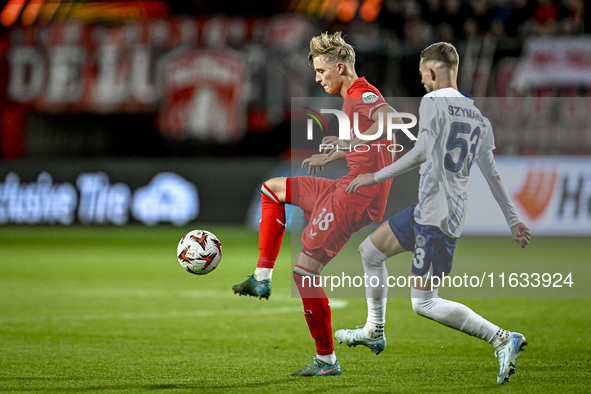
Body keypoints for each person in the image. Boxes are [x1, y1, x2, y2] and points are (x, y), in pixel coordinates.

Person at [334, 42, 531, 385]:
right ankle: (373, 330)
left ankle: (501, 337)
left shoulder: (432, 102)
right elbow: (492, 173)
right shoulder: (478, 116)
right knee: (370, 251)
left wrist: (374, 176)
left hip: (436, 215)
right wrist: (513, 219)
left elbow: (421, 152)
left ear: (434, 71)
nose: (422, 81)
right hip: (433, 209)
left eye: (423, 73)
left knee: (424, 303)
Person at [232, 31, 401, 376]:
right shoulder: (359, 94)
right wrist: (342, 149)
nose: (318, 78)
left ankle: (326, 360)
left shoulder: (359, 96)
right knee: (272, 189)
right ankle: (261, 276)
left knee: (304, 272)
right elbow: (377, 141)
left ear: (340, 67)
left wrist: (350, 142)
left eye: (322, 72)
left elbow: (391, 121)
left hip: (353, 198)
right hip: (348, 186)